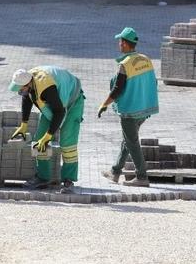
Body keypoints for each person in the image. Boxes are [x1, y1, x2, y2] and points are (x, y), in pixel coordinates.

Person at [98, 27, 159, 188]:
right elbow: (154, 82)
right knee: (128, 139)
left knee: (132, 142)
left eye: (120, 41)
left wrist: (104, 104)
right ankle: (115, 171)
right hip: (144, 109)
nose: (119, 44)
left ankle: (142, 176)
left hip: (130, 110)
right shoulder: (146, 59)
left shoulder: (125, 65)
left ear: (124, 44)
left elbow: (117, 89)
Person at [9, 66, 84, 193]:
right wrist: (24, 124)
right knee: (39, 141)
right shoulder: (29, 81)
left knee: (67, 143)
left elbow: (59, 112)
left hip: (73, 100)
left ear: (28, 84)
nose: (20, 92)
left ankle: (68, 180)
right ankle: (43, 177)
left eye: (21, 89)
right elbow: (27, 99)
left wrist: (49, 136)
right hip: (55, 102)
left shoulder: (46, 88)